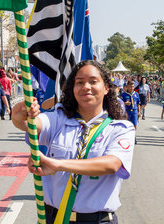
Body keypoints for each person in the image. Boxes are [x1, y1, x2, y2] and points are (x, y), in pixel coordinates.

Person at [12, 60, 135, 224]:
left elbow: (112, 164)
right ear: (73, 88)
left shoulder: (121, 128)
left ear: (106, 87)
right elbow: (31, 125)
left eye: (93, 81)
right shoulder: (58, 119)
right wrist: (19, 115)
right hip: (54, 219)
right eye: (79, 82)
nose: (86, 87)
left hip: (97, 221)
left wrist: (58, 165)